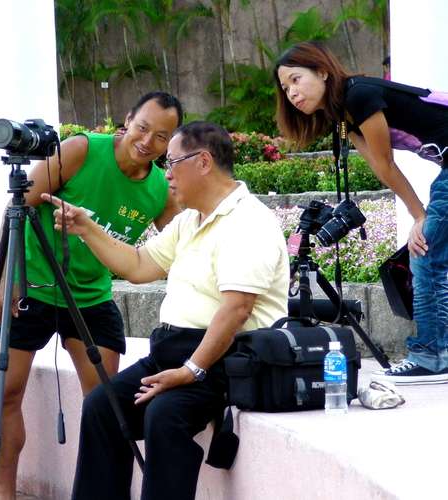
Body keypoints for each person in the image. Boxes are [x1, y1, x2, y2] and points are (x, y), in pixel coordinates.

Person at [44, 121, 289, 500]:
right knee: (103, 406)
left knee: (165, 415)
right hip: (170, 353)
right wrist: (87, 228)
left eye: (172, 162)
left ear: (203, 162)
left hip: (226, 360)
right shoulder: (190, 220)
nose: (166, 174)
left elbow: (237, 309)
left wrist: (191, 370)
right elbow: (139, 266)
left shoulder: (249, 222)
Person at [0, 91, 183, 499]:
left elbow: (183, 245)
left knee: (106, 405)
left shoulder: (160, 190)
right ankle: (4, 492)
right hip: (33, 284)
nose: (148, 141)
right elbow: (18, 206)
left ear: (171, 143)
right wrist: (8, 277)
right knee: (5, 392)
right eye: (143, 128)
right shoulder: (81, 150)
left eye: (162, 137)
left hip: (91, 298)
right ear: (127, 120)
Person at [274, 41, 448, 385]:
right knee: (431, 255)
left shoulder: (359, 95)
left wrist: (419, 216)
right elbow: (381, 169)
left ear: (322, 72)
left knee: (425, 254)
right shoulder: (345, 115)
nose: (292, 93)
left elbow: (386, 163)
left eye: (296, 79)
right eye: (285, 88)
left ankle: (432, 357)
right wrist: (419, 214)